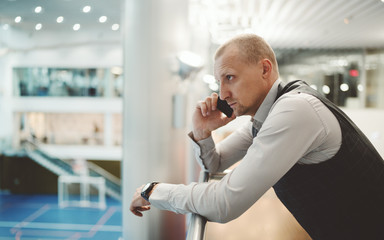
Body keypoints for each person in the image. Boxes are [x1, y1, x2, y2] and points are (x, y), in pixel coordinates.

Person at [130, 34, 384, 239]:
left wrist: (152, 190)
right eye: (219, 82)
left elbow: (224, 203)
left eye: (230, 77)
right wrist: (202, 132)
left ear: (265, 69)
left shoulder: (294, 110)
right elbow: (215, 163)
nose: (223, 94)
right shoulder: (268, 114)